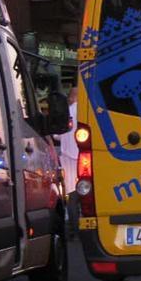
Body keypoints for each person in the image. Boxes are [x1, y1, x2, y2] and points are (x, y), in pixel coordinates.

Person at [58, 86, 80, 236]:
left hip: (68, 158)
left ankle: (74, 228)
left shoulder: (66, 114)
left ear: (71, 97)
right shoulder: (87, 111)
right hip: (87, 157)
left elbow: (56, 136)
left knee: (72, 193)